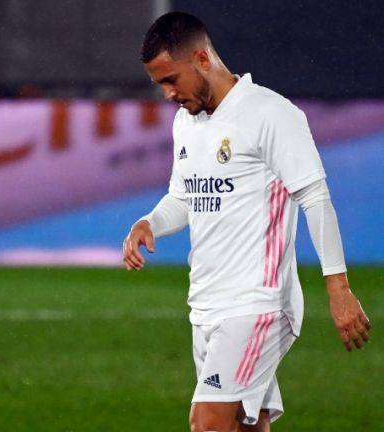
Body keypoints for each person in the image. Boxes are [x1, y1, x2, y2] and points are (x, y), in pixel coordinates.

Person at [122, 12, 371, 432]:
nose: (167, 94)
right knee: (245, 425)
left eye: (171, 80)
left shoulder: (271, 114)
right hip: (206, 305)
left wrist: (339, 290)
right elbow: (183, 197)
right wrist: (149, 222)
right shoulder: (186, 122)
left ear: (202, 59)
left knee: (208, 422)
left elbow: (315, 199)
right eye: (159, 84)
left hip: (259, 302)